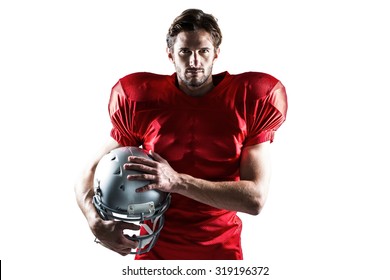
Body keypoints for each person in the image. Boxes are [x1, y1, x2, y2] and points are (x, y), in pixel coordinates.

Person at [74, 8, 287, 260]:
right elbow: (89, 170)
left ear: (216, 53)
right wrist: (93, 219)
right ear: (171, 54)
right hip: (153, 247)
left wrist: (177, 181)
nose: (194, 61)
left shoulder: (248, 100)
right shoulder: (142, 101)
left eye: (203, 51)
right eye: (185, 51)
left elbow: (255, 199)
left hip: (220, 250)